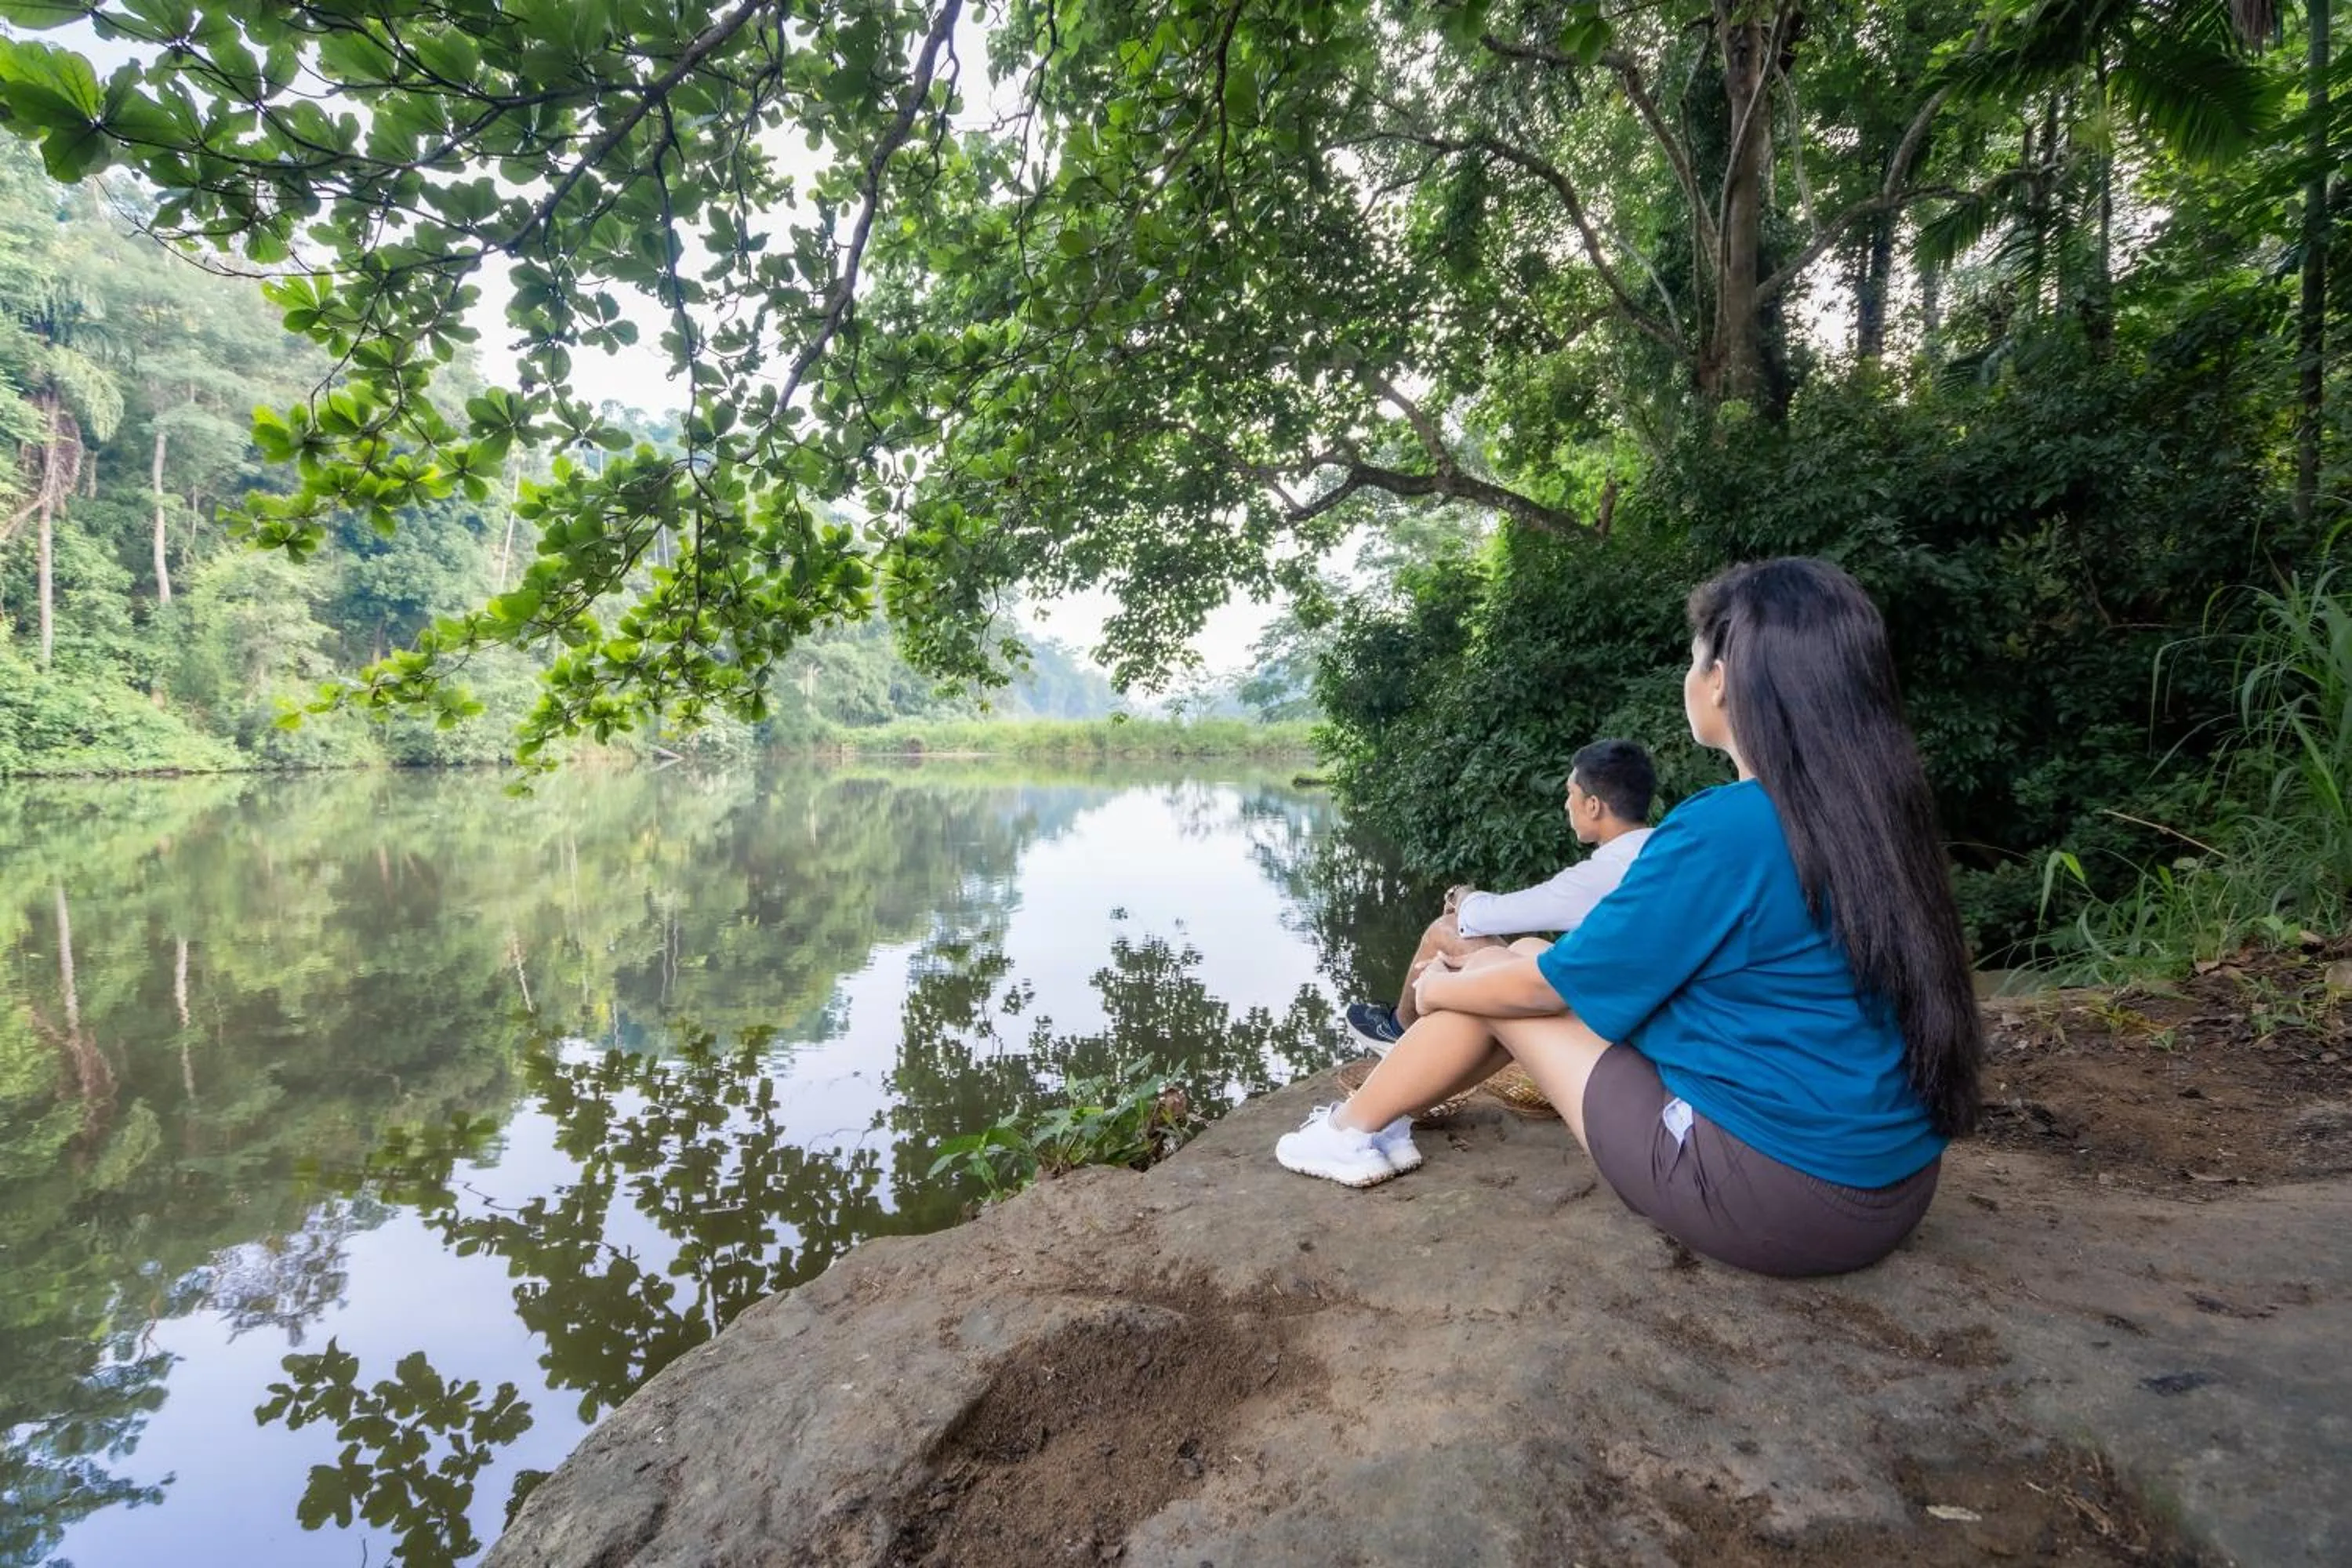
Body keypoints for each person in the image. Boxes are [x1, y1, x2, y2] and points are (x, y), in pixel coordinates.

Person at [1276, 557, 1984, 1279]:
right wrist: (1499, 964)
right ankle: (1380, 1119)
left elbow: (1545, 993)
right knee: (1516, 952)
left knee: (1501, 981)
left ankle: (1350, 1129)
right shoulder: (1874, 813)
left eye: (1694, 655)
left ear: (1723, 680)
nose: (1690, 674)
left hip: (1781, 1198)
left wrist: (1435, 990)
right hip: (1891, 1182)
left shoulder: (1728, 828)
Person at [1344, 739, 1656, 1054]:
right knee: (1526, 947)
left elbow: (1487, 917)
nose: (1565, 804)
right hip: (1642, 1006)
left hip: (1617, 1031)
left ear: (1593, 805)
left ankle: (1398, 1032)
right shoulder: (1667, 851)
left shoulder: (1603, 875)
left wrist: (1462, 895)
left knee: (1446, 930)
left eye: (1570, 793)